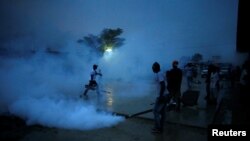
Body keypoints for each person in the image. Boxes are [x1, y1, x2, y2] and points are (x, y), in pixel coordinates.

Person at [151, 62, 167, 134]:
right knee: (162, 112)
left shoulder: (159, 74)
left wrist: (160, 96)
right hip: (165, 95)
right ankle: (161, 128)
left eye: (153, 67)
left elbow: (163, 85)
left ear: (155, 68)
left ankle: (158, 128)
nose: (152, 69)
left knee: (155, 111)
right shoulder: (161, 73)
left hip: (161, 96)